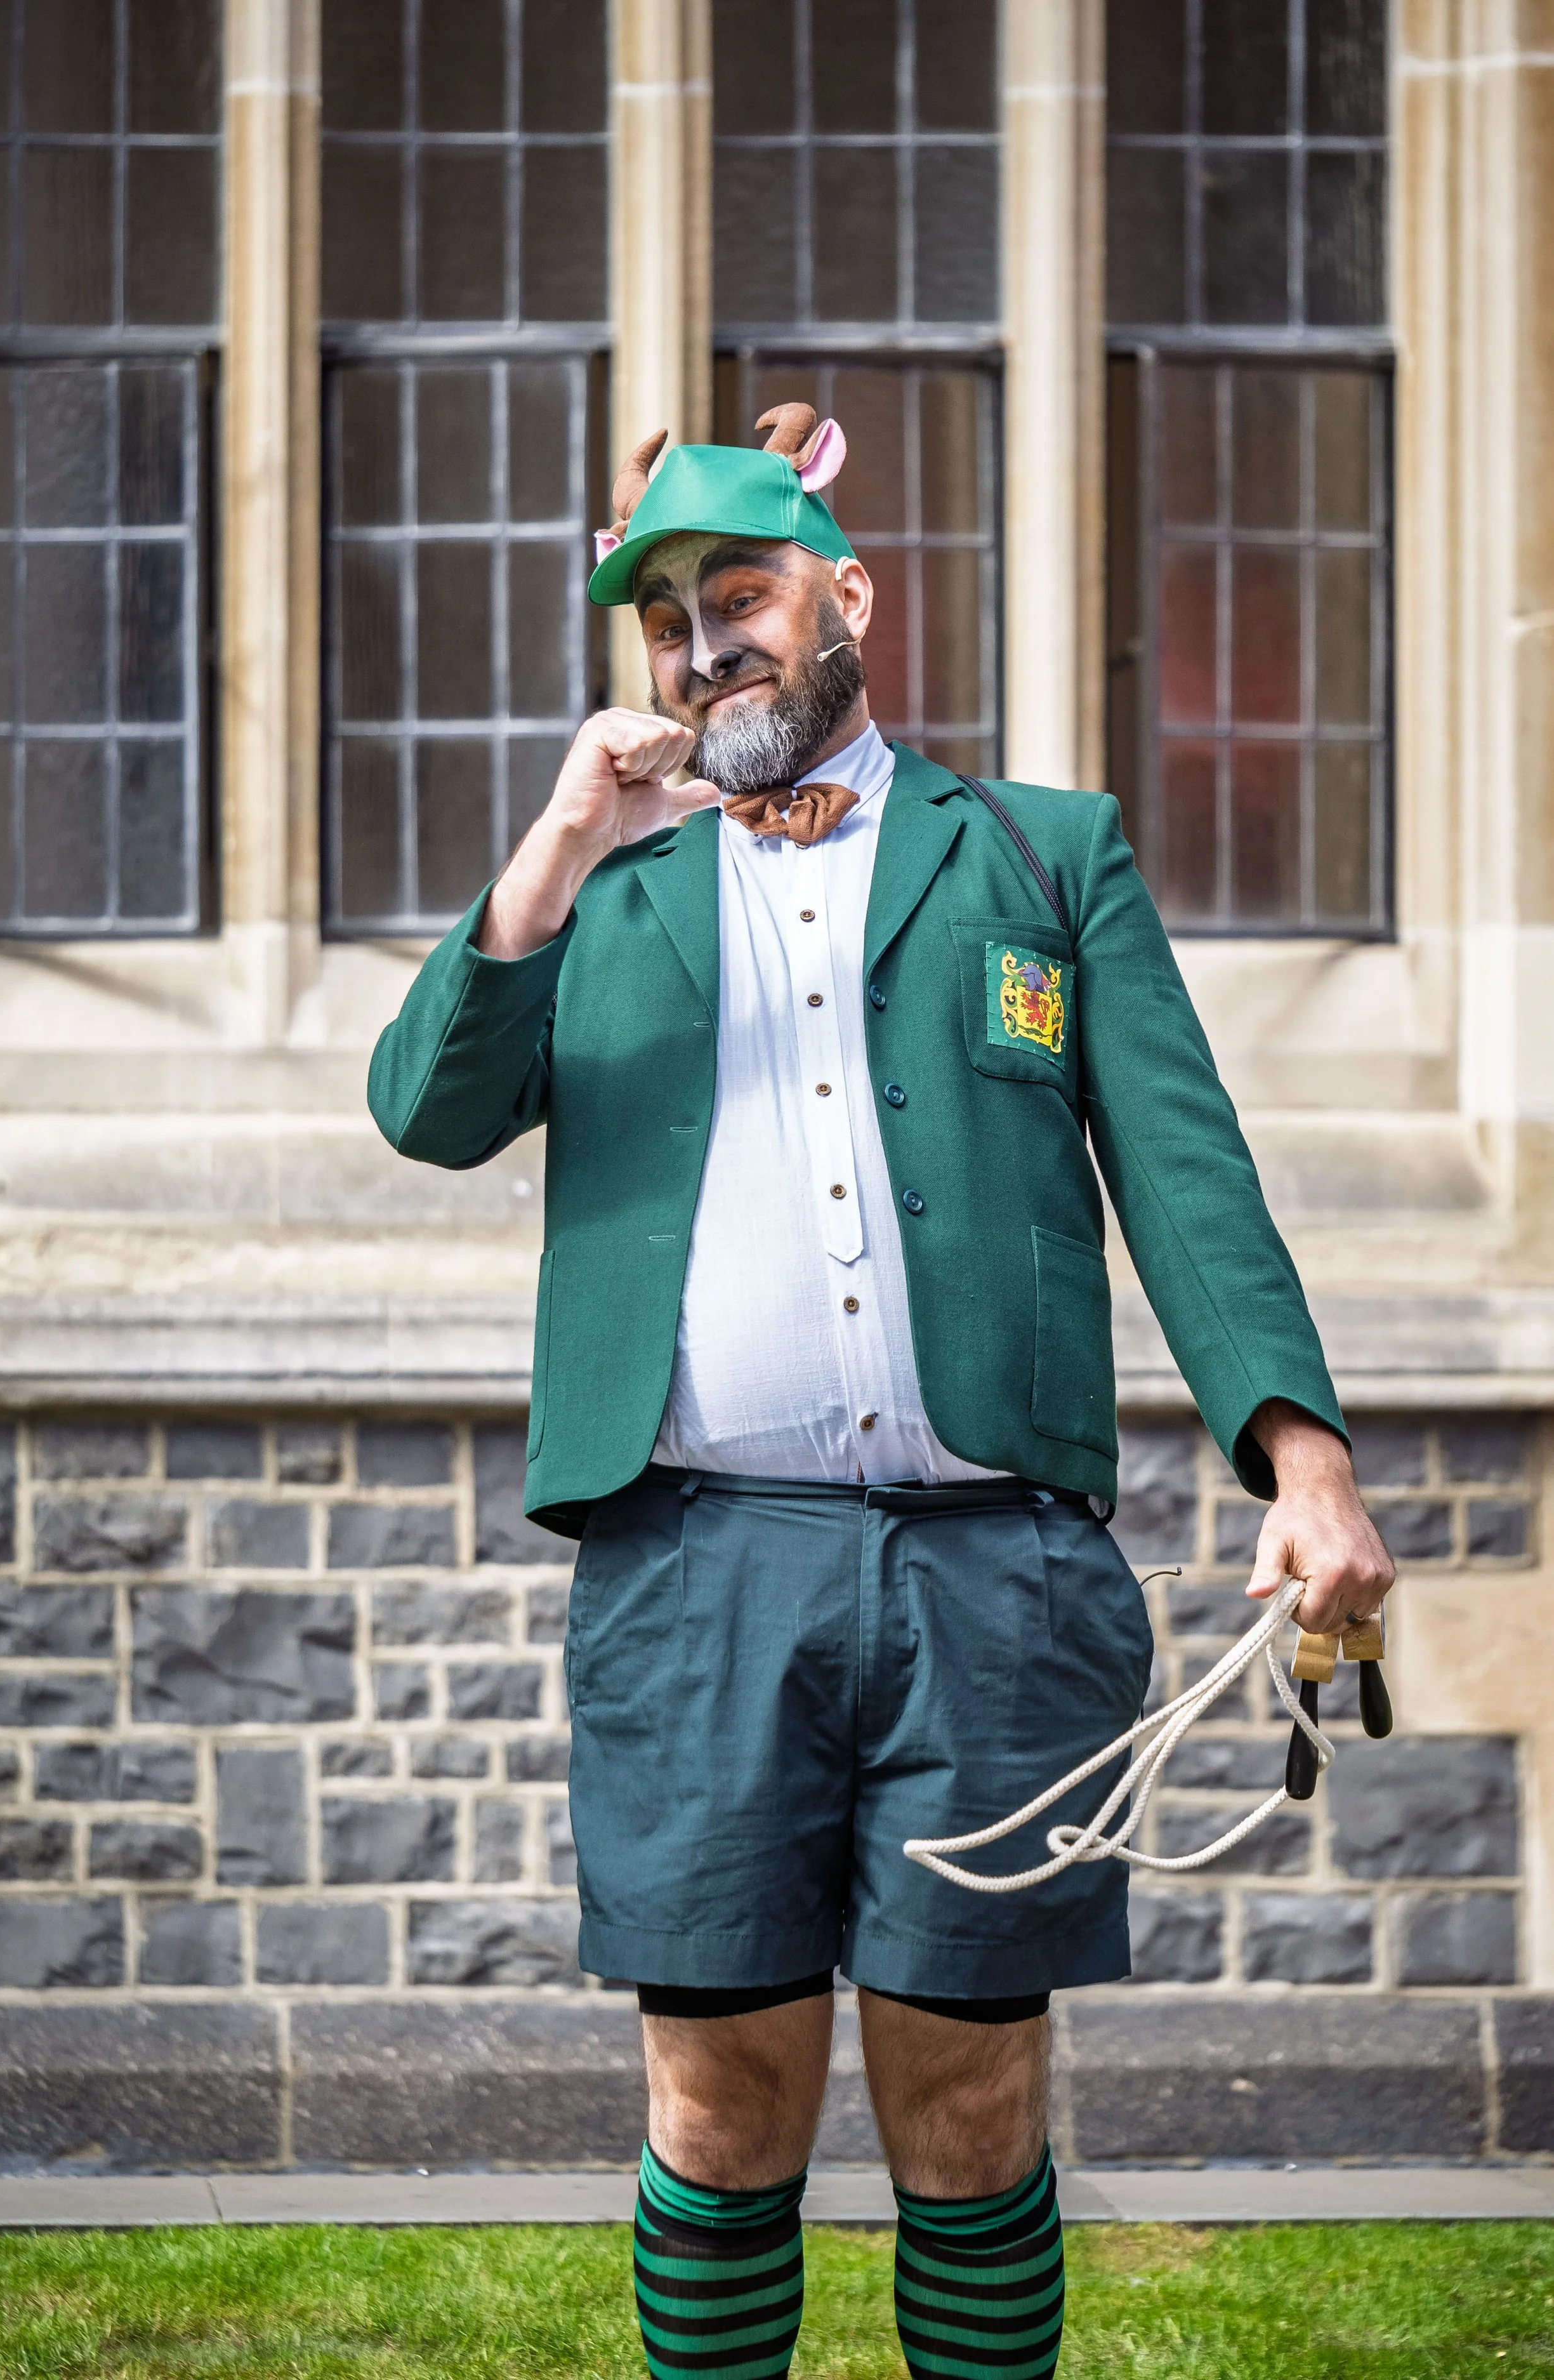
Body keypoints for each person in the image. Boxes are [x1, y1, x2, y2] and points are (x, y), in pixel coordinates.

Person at [369, 406, 1395, 2380]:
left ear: (848, 597)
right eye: (663, 622)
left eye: (733, 597)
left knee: (970, 2110)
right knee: (720, 2108)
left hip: (994, 1576)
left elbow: (1184, 1173)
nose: (697, 649)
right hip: (696, 1572)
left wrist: (1305, 1457)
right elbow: (425, 1107)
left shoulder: (1038, 851)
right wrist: (570, 830)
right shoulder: (615, 901)